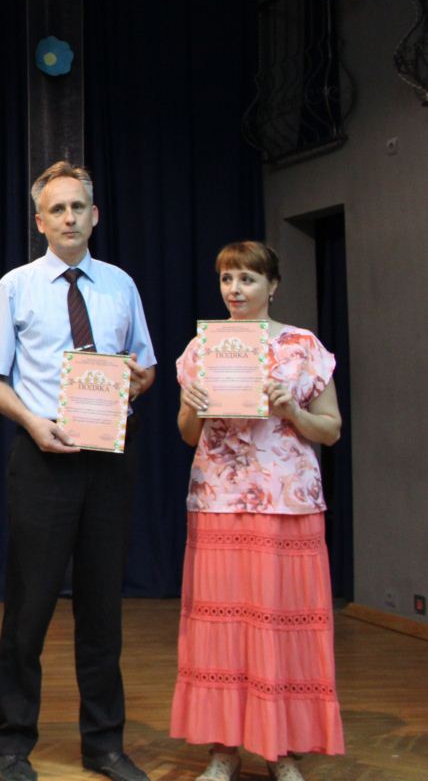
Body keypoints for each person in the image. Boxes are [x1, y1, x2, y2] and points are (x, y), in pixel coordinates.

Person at [0, 162, 157, 781]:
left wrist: (137, 382)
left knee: (103, 607)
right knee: (29, 607)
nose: (69, 217)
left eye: (78, 206)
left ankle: (105, 744)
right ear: (40, 222)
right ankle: (13, 742)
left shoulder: (120, 285)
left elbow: (146, 368)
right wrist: (33, 423)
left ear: (94, 214)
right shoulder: (16, 287)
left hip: (110, 456)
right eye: (57, 209)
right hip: (42, 455)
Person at [170, 241, 344, 781]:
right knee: (221, 629)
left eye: (247, 278)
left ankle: (281, 750)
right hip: (220, 500)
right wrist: (192, 407)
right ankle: (223, 750)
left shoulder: (303, 346)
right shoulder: (203, 348)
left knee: (280, 627)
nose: (235, 289)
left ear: (273, 286)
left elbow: (331, 429)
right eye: (227, 279)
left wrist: (291, 410)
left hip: (287, 503)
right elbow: (187, 434)